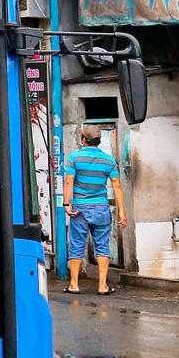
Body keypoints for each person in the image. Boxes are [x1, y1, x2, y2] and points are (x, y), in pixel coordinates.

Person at [64, 124, 126, 295]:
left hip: (80, 209)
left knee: (76, 245)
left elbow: (69, 181)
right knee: (102, 247)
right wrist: (121, 211)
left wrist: (66, 204)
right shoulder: (109, 160)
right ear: (99, 141)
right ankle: (102, 286)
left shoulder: (74, 158)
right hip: (101, 208)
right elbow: (117, 186)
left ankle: (74, 285)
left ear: (83, 140)